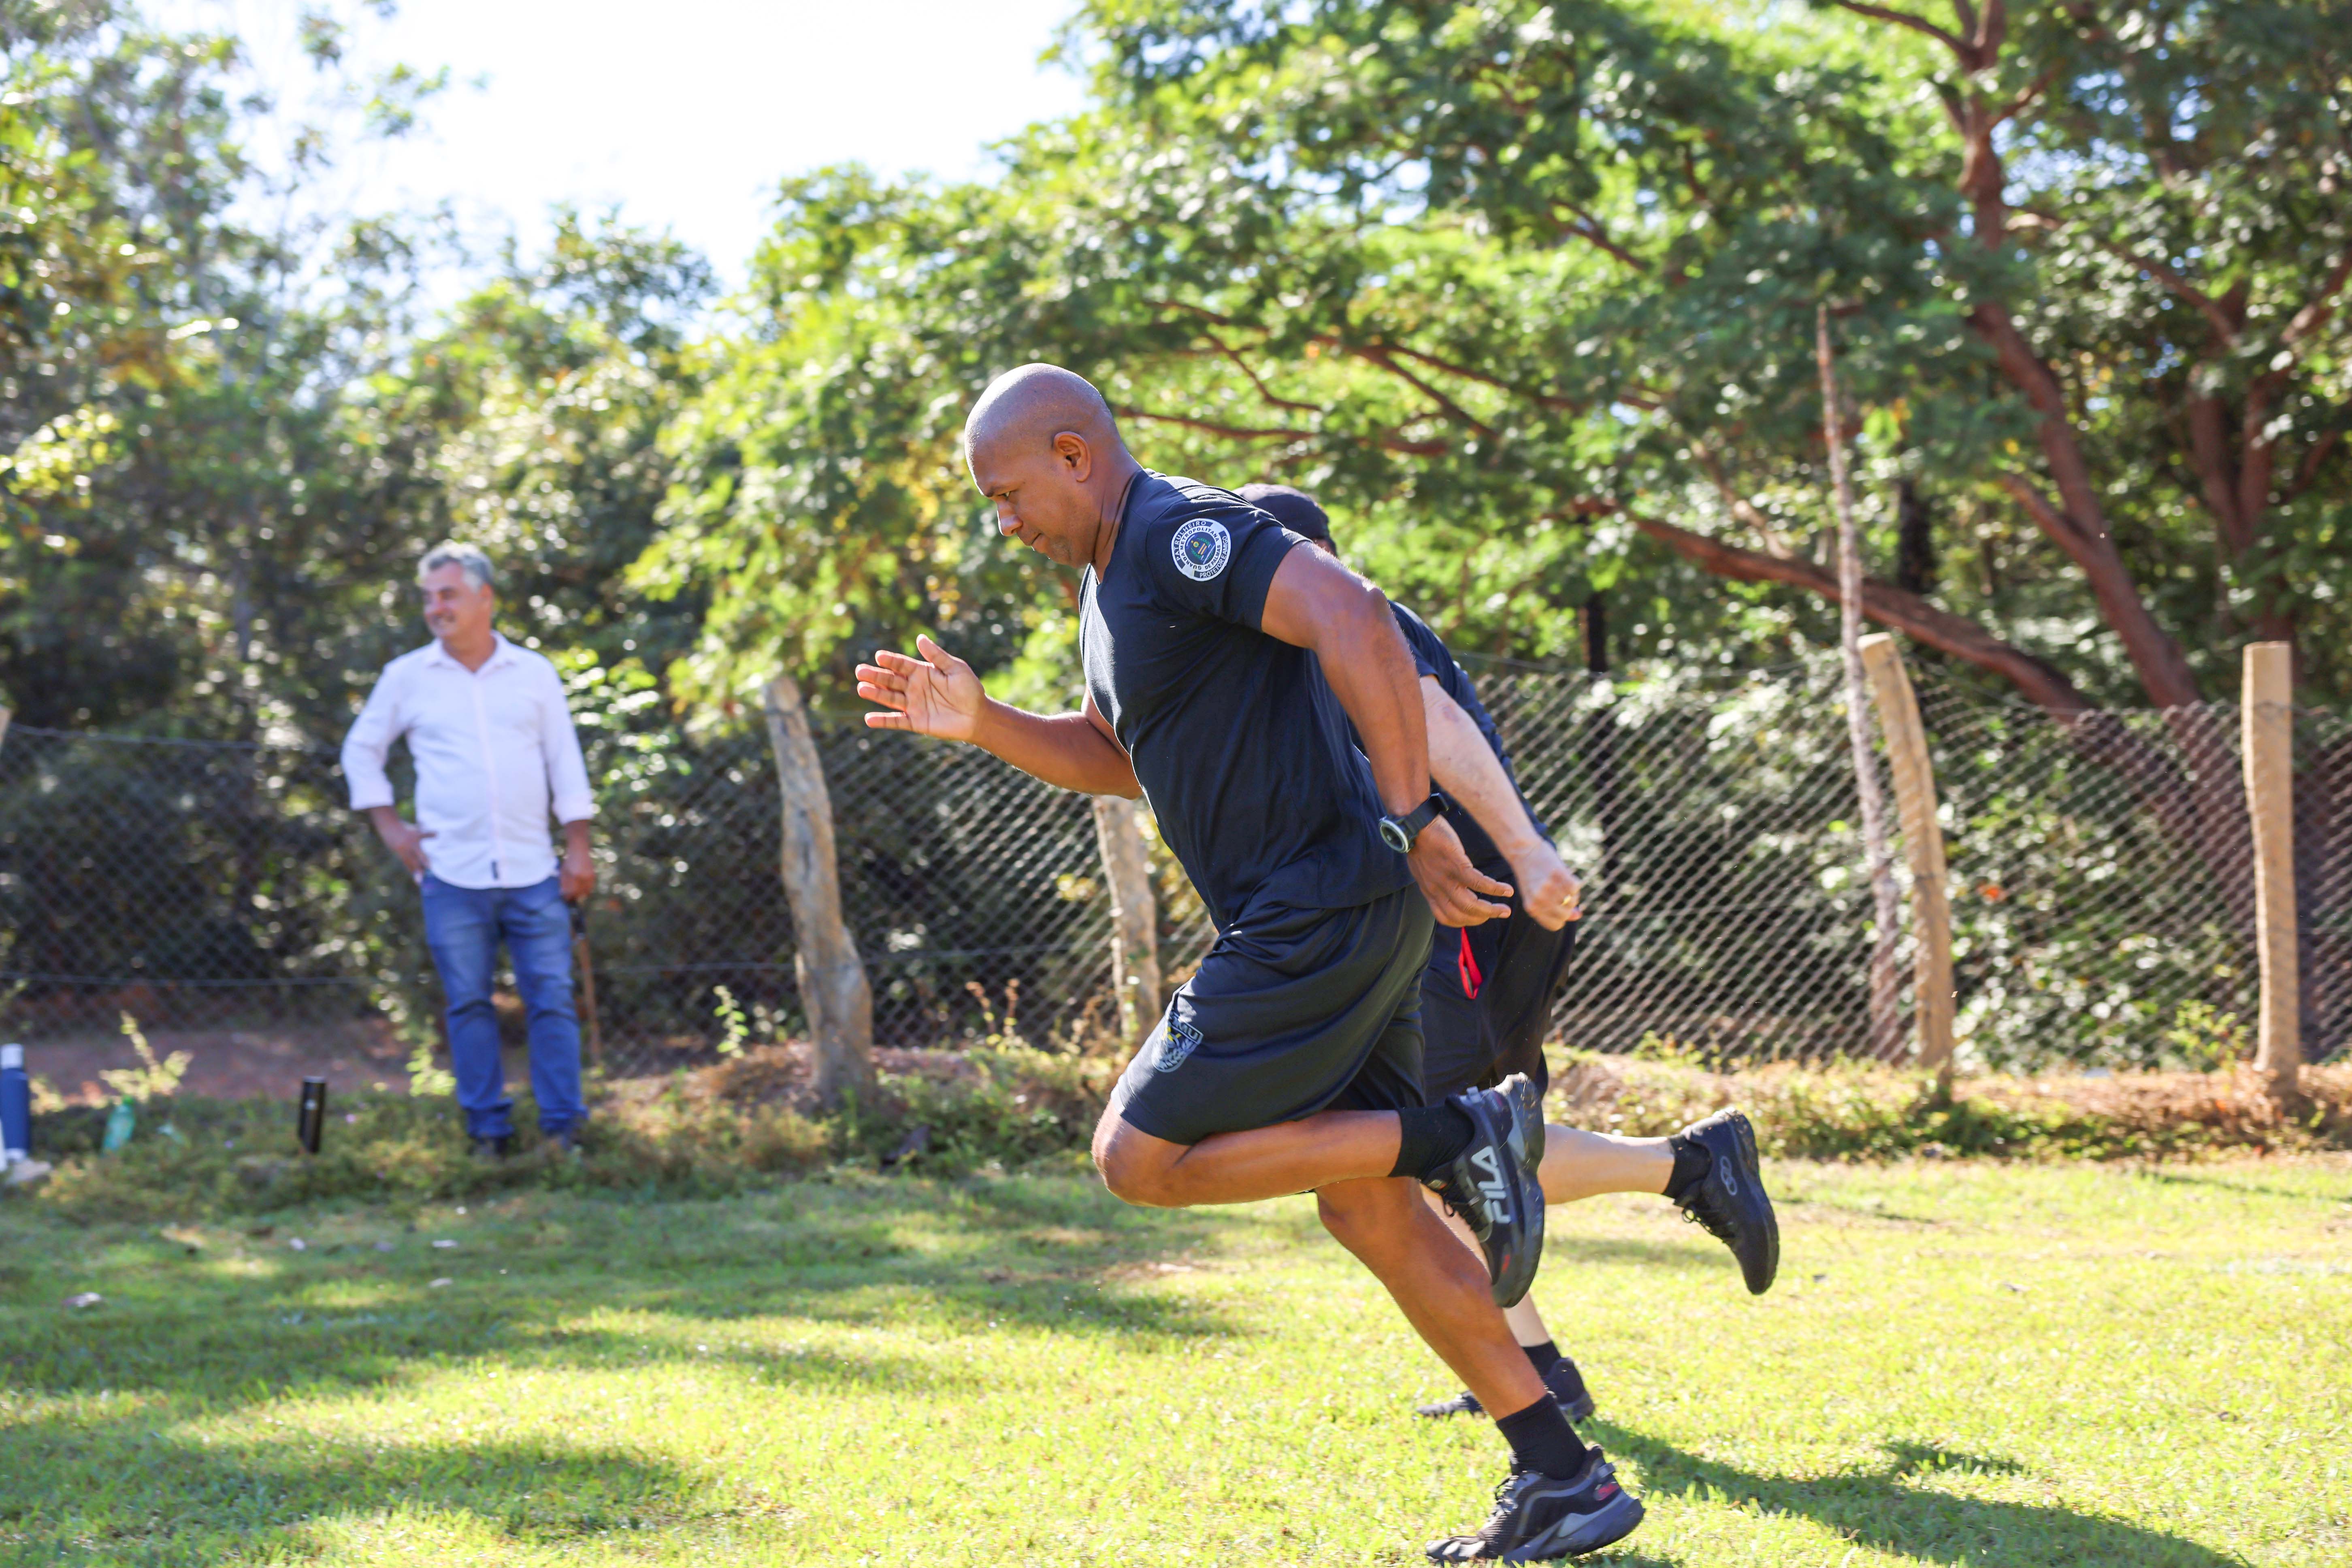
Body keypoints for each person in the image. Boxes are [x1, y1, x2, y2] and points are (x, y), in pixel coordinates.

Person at [857, 364, 1643, 1562]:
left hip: (1315, 908)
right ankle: (1563, 1477)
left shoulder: (1178, 535)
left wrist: (1407, 816)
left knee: (1137, 1158)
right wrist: (983, 723)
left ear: (1076, 454)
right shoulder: (1111, 587)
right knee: (1366, 1203)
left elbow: (1356, 615)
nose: (1001, 521)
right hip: (1336, 912)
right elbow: (1125, 756)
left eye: (1007, 493)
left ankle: (1460, 1139)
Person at [1236, 484, 1780, 1426]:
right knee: (1468, 1144)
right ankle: (1545, 1361)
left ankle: (1690, 1165)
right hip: (1467, 905)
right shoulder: (1313, 636)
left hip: (1464, 912)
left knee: (1441, 1147)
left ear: (1302, 554)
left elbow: (1434, 722)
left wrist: (1524, 853)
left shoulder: (1348, 617)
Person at [342, 541, 597, 1157]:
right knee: (468, 1005)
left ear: (486, 598)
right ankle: (489, 1134)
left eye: (448, 594)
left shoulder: (533, 673)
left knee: (553, 1001)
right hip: (450, 876)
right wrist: (392, 830)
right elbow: (361, 751)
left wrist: (579, 850)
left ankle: (564, 1132)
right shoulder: (406, 677)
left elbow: (566, 762)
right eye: (428, 598)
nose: (436, 608)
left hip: (534, 870)